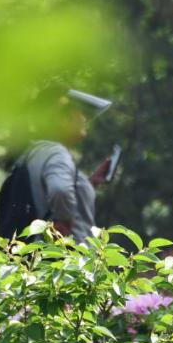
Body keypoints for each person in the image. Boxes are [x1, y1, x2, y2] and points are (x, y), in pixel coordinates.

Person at [18, 89, 111, 242]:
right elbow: (60, 189)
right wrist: (64, 221)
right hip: (64, 259)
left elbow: (44, 196)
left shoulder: (35, 152)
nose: (84, 119)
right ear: (62, 120)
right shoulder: (56, 152)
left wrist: (89, 183)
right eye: (80, 113)